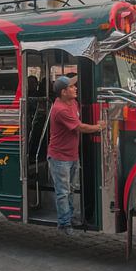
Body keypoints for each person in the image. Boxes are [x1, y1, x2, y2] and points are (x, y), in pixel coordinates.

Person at [47, 75, 104, 236]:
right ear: (63, 92)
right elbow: (80, 128)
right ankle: (64, 224)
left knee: (71, 189)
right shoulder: (60, 109)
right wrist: (99, 127)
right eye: (72, 87)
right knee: (63, 192)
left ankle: (69, 217)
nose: (75, 88)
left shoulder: (73, 103)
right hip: (60, 158)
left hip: (72, 155)